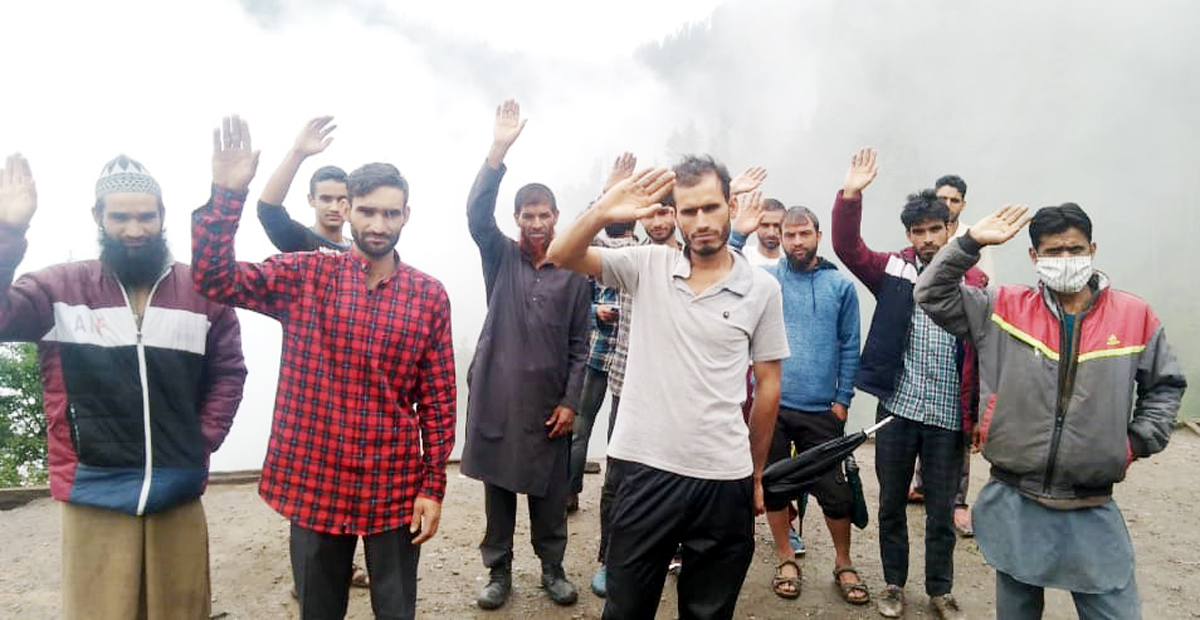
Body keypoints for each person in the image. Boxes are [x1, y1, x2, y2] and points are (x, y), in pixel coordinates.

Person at [192, 116, 456, 620]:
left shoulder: (428, 296)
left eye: (390, 213)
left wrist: (432, 486)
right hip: (316, 478)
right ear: (347, 209)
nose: (378, 225)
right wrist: (227, 195)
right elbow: (214, 279)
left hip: (394, 483)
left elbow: (438, 400)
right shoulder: (306, 276)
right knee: (318, 609)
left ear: (406, 215)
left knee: (396, 610)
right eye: (367, 211)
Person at [0, 153, 246, 620]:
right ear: (97, 216)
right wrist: (9, 233)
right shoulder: (59, 289)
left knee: (182, 610)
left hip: (176, 490)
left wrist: (199, 440)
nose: (135, 230)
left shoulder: (201, 292)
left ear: (162, 216)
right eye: (120, 218)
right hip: (93, 490)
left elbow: (229, 372)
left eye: (146, 217)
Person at [916, 203, 1186, 619]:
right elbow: (931, 294)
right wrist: (969, 243)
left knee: (1114, 607)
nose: (1065, 259)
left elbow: (1165, 385)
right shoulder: (1002, 308)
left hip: (1090, 501)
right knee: (1017, 606)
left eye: (1074, 249)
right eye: (1053, 251)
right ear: (1034, 256)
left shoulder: (1134, 316)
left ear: (1092, 249)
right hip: (1014, 496)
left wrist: (1132, 442)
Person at [547, 155, 789, 620]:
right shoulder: (646, 265)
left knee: (708, 612)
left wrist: (756, 473)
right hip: (644, 469)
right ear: (676, 215)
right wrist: (603, 208)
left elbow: (769, 387)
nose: (702, 221)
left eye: (711, 207)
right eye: (690, 211)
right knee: (626, 608)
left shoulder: (761, 289)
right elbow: (561, 255)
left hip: (724, 476)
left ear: (730, 205)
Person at [831, 148, 985, 620]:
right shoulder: (892, 270)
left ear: (950, 229)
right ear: (908, 235)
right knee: (892, 504)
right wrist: (851, 195)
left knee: (941, 512)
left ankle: (940, 589)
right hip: (898, 410)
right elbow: (848, 248)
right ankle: (893, 584)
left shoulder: (974, 280)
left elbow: (985, 352)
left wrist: (979, 414)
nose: (926, 239)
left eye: (935, 229)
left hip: (947, 416)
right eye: (918, 231)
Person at [459, 100, 590, 610]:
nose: (536, 223)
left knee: (550, 494)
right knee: (498, 492)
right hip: (498, 396)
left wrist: (571, 401)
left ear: (556, 218)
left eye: (544, 215)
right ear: (516, 219)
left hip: (549, 405)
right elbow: (476, 214)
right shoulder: (500, 257)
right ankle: (498, 571)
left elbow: (580, 343)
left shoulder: (574, 269)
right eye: (528, 215)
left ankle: (552, 568)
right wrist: (497, 150)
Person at [730, 203, 866, 605]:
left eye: (804, 233)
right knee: (774, 486)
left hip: (822, 408)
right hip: (773, 405)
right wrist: (737, 233)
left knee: (836, 493)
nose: (796, 241)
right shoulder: (766, 280)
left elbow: (849, 344)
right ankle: (786, 557)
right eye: (789, 235)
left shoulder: (840, 286)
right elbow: (727, 271)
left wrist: (842, 399)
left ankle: (843, 561)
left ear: (818, 236)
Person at [590, 190, 681, 598]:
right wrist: (607, 199)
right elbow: (579, 247)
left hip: (679, 389)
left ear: (676, 214)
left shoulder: (694, 260)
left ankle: (672, 551)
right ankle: (610, 559)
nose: (658, 221)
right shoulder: (629, 255)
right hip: (629, 383)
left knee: (676, 474)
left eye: (665, 212)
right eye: (651, 214)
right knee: (619, 476)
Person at [909, 174, 993, 538]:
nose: (947, 204)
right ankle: (920, 484)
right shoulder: (919, 249)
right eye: (942, 198)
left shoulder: (978, 239)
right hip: (922, 366)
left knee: (960, 426)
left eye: (953, 200)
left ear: (961, 207)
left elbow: (983, 289)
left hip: (961, 351)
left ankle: (957, 502)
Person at [567, 153, 641, 514]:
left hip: (631, 358)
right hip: (596, 351)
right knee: (580, 427)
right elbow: (575, 238)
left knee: (621, 436)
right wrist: (607, 193)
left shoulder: (644, 251)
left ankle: (616, 503)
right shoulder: (594, 249)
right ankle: (569, 492)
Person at [256, 116, 351, 252]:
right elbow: (268, 210)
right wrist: (297, 153)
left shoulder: (361, 251)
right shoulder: (299, 240)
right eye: (326, 199)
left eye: (341, 200)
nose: (334, 208)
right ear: (311, 200)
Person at [744, 197, 785, 267]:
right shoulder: (741, 256)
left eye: (777, 226)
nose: (771, 233)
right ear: (755, 225)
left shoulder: (790, 264)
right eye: (765, 225)